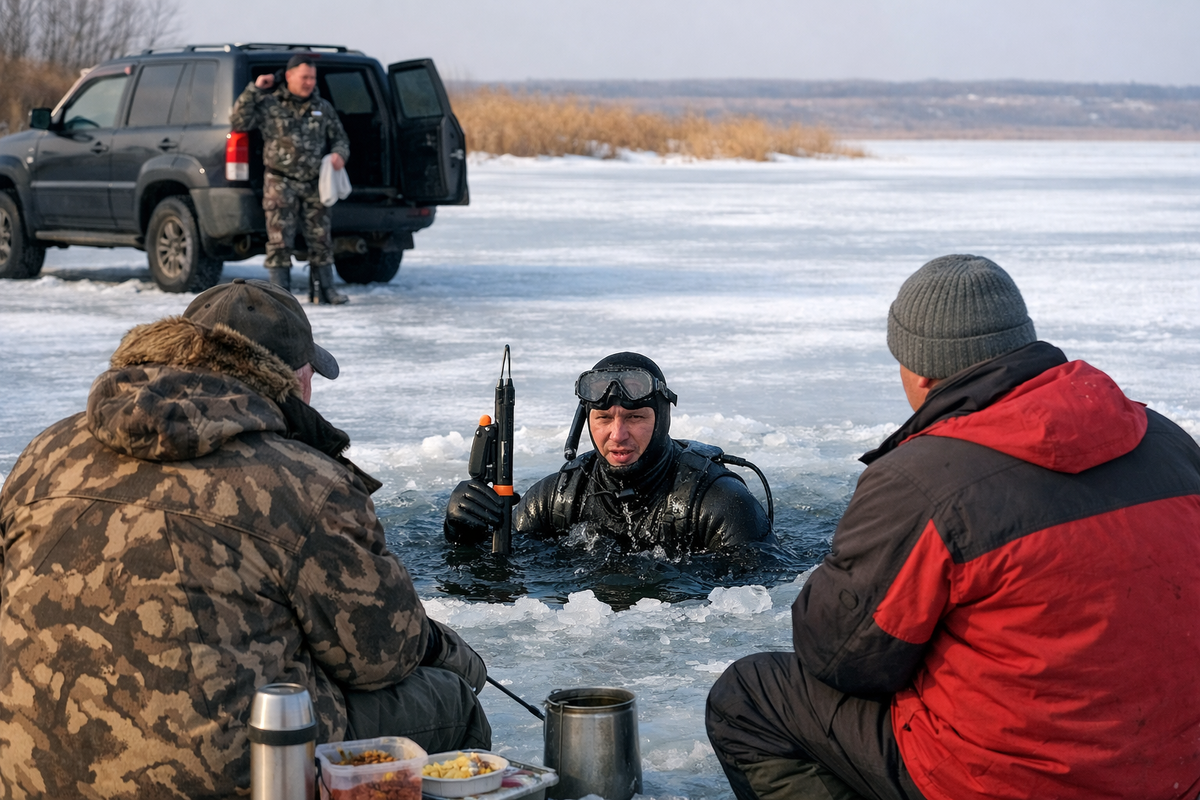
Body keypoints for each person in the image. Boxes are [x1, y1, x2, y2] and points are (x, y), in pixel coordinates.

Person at [706, 254, 1200, 800]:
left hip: (1010, 780)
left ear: (920, 369)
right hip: (1174, 769)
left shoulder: (923, 478)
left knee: (749, 698)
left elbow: (841, 658)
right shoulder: (1166, 438)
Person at [0, 279, 490, 798]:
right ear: (293, 376)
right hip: (223, 777)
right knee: (450, 700)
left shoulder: (48, 451)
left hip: (28, 765)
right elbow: (381, 655)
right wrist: (453, 653)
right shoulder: (304, 480)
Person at [444, 352, 774, 556]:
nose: (617, 435)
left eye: (635, 418)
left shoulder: (720, 502)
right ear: (586, 421)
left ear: (661, 420)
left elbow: (759, 589)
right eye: (603, 419)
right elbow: (500, 566)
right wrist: (463, 534)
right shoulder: (557, 498)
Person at [231, 53, 350, 305]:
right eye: (304, 77)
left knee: (321, 238)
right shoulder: (269, 103)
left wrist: (340, 154)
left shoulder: (322, 107)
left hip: (314, 182)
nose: (309, 82)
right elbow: (238, 122)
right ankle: (280, 297)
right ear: (289, 76)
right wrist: (254, 89)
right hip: (280, 181)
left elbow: (340, 138)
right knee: (279, 241)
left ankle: (326, 290)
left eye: (312, 77)